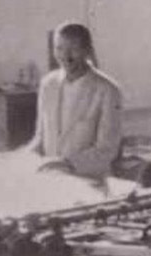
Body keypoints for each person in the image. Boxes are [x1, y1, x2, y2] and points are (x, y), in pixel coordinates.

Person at [22, 21, 125, 180]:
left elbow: (107, 150)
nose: (65, 56)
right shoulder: (48, 84)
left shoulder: (108, 90)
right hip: (50, 179)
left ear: (87, 50)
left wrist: (66, 164)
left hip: (89, 182)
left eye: (74, 49)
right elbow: (40, 139)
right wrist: (23, 159)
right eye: (59, 48)